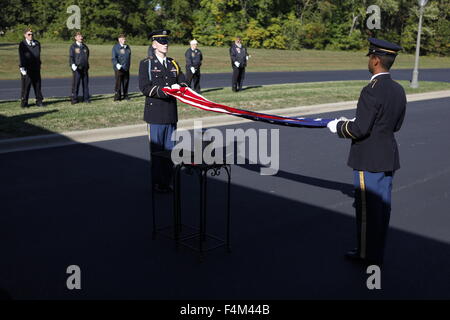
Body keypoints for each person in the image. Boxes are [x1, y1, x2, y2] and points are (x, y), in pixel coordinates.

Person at [327, 38, 406, 266]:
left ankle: (365, 254)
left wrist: (339, 127)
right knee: (382, 208)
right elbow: (396, 125)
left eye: (370, 58)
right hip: (388, 156)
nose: (369, 61)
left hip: (368, 158)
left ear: (375, 60)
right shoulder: (398, 89)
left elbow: (360, 129)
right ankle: (376, 251)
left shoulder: (371, 90)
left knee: (366, 211)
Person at [138, 29, 189, 193]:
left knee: (170, 150)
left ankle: (168, 181)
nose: (165, 44)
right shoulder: (147, 64)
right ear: (154, 44)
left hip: (170, 113)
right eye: (161, 42)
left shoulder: (172, 63)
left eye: (166, 41)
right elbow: (144, 88)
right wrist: (165, 90)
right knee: (158, 152)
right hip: (156, 114)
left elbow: (183, 80)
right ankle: (158, 183)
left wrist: (180, 86)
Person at [18, 27, 44, 108]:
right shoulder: (22, 44)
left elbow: (38, 54)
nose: (31, 36)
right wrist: (22, 68)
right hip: (27, 69)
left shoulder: (37, 43)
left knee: (37, 85)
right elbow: (21, 56)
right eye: (29, 34)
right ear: (25, 35)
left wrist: (39, 64)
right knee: (26, 86)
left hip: (36, 68)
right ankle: (24, 103)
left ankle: (39, 101)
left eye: (32, 34)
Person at [69, 31, 90, 104]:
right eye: (79, 36)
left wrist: (87, 65)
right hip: (77, 68)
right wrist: (73, 65)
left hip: (84, 68)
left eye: (81, 36)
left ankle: (86, 99)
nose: (81, 37)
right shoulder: (73, 46)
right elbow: (71, 57)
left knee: (85, 84)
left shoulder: (85, 47)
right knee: (76, 84)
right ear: (75, 38)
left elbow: (87, 56)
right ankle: (74, 99)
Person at [112, 33, 131, 101]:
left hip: (126, 68)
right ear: (119, 39)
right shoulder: (115, 47)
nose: (124, 40)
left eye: (124, 38)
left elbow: (128, 57)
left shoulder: (127, 47)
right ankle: (117, 97)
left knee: (126, 82)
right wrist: (117, 64)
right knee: (118, 83)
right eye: (123, 39)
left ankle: (125, 95)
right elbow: (114, 58)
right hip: (119, 68)